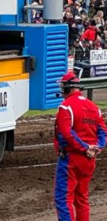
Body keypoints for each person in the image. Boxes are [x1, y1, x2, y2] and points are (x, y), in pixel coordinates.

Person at [54, 72, 107, 221]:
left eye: (63, 86)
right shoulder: (94, 107)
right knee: (82, 198)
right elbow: (103, 131)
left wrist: (84, 147)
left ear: (68, 88)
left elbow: (66, 133)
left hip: (71, 158)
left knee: (63, 199)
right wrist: (96, 148)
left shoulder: (66, 107)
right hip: (89, 160)